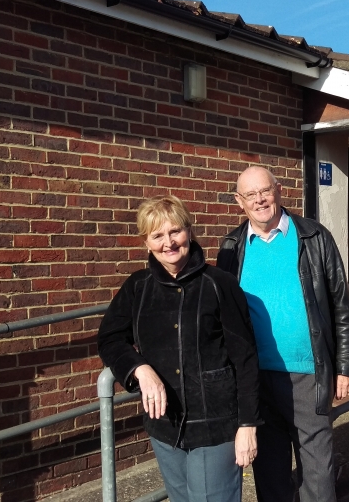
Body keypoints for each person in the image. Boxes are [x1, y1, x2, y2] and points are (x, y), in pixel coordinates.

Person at [98, 195, 260, 502]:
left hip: (216, 426)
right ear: (146, 242)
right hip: (165, 426)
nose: (168, 243)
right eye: (157, 235)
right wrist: (139, 369)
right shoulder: (138, 287)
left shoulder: (219, 284)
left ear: (189, 231)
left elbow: (246, 358)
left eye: (175, 232)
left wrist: (248, 425)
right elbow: (109, 338)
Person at [217, 166, 349, 502]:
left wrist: (347, 364)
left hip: (307, 373)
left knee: (316, 469)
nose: (259, 200)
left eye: (264, 191)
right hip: (255, 377)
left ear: (279, 190)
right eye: (250, 195)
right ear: (240, 202)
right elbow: (224, 315)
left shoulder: (313, 236)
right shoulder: (231, 246)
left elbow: (341, 302)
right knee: (269, 469)